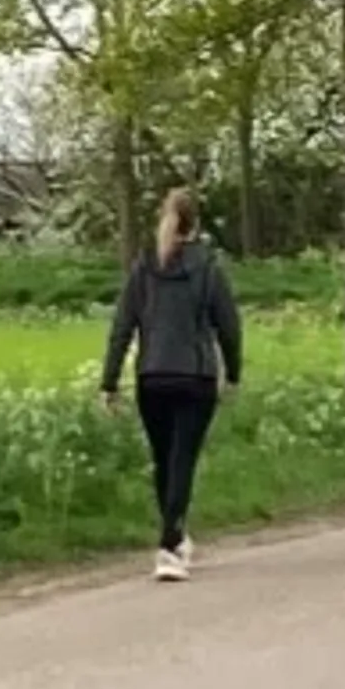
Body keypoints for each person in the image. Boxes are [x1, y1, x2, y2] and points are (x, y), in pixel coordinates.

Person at [101, 185, 244, 582]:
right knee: (183, 460)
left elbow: (122, 326)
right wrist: (233, 373)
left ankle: (175, 536)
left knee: (164, 459)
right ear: (196, 224)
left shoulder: (144, 268)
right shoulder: (209, 269)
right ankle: (170, 543)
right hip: (195, 376)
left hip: (152, 376)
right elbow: (228, 326)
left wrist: (109, 380)